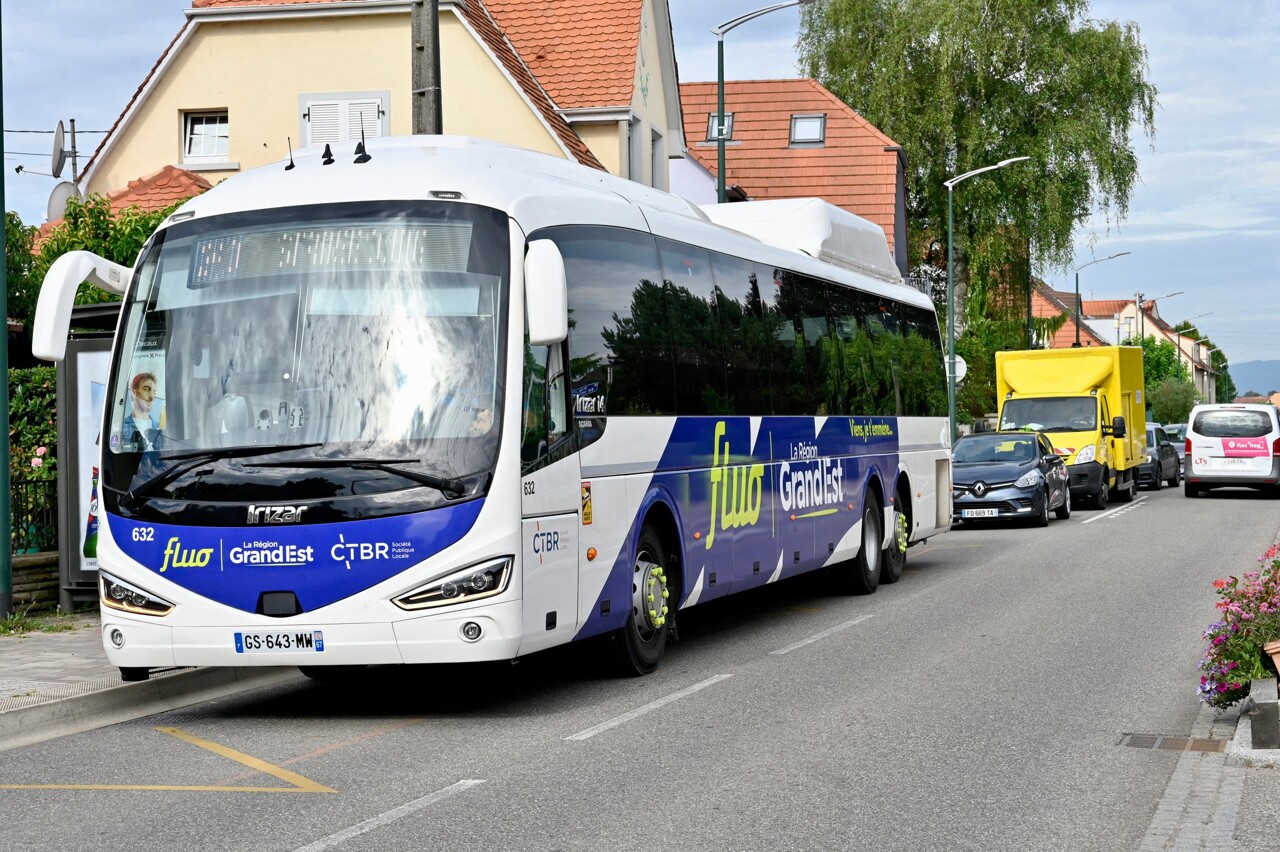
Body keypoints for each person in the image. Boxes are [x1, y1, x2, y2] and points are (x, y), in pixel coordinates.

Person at [123, 371, 164, 450]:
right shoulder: (120, 426)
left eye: (154, 392)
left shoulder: (160, 429)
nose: (152, 397)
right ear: (133, 393)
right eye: (146, 389)